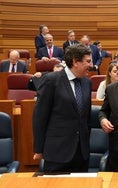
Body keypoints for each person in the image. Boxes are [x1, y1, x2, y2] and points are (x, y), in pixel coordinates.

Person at [32, 44, 93, 172]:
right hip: (57, 152)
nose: (91, 65)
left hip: (81, 153)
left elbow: (85, 117)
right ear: (75, 61)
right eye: (88, 61)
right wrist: (38, 148)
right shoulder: (51, 80)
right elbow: (40, 116)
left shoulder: (87, 82)